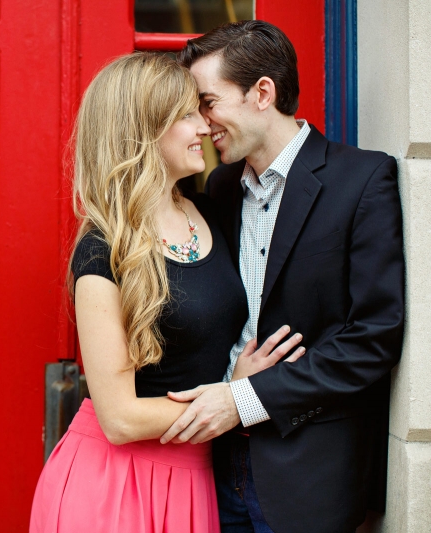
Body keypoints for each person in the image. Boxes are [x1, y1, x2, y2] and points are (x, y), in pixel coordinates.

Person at [29, 52, 304, 533]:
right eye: (185, 115)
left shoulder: (212, 209)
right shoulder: (101, 249)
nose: (204, 126)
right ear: (141, 131)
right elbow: (119, 419)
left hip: (197, 476)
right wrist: (233, 396)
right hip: (115, 486)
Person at [160, 21, 405, 533]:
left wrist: (242, 400)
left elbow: (373, 338)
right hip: (213, 469)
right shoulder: (220, 187)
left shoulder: (363, 179)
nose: (202, 123)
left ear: (262, 93)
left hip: (308, 481)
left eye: (208, 102)